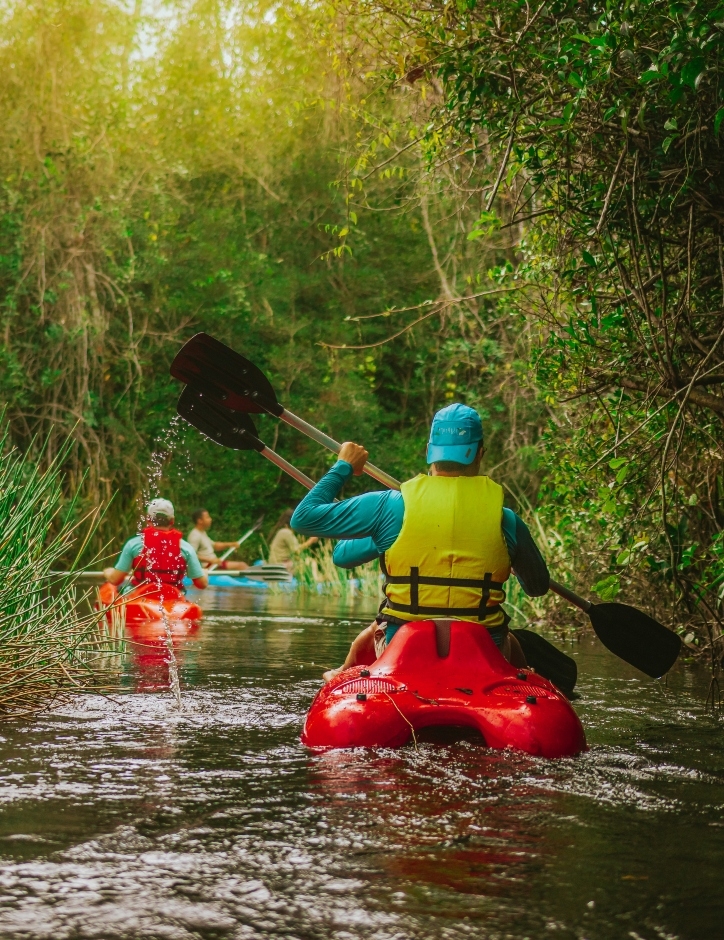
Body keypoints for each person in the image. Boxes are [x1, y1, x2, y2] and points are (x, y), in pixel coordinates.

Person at [290, 403, 550, 681]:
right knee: (509, 638)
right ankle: (522, 678)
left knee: (374, 629)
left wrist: (344, 467)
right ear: (480, 453)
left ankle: (344, 675)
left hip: (401, 648)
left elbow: (303, 519)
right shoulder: (506, 520)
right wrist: (509, 560)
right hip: (485, 652)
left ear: (429, 452)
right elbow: (536, 587)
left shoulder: (390, 506)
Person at [103, 498, 208, 592]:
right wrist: (204, 573)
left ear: (148, 519)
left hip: (141, 595)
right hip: (173, 597)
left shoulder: (134, 544)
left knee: (121, 589)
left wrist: (108, 572)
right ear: (172, 521)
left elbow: (115, 580)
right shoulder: (185, 548)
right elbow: (202, 584)